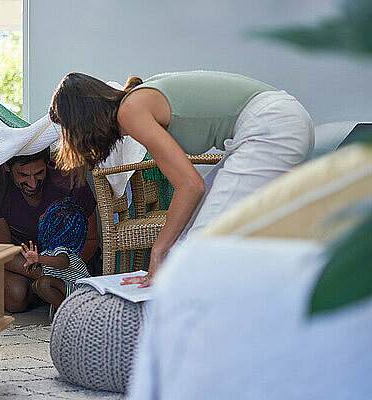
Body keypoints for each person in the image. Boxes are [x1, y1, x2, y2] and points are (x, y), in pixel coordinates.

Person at [49, 71, 314, 287]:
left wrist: (158, 251)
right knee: (190, 235)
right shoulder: (135, 103)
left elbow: (190, 185)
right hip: (275, 123)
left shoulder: (130, 109)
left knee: (199, 245)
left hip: (271, 126)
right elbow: (191, 186)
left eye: (68, 130)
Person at [0, 148, 100, 312]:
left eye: (39, 173)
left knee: (49, 284)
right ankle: (44, 293)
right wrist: (39, 269)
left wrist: (58, 272)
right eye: (23, 175)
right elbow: (1, 249)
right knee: (13, 297)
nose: (32, 183)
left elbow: (91, 240)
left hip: (72, 266)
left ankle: (64, 307)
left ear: (48, 163)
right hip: (28, 266)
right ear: (7, 167)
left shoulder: (70, 179)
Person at [20, 198, 91, 313]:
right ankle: (68, 311)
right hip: (73, 291)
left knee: (44, 283)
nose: (41, 216)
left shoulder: (62, 250)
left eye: (47, 214)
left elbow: (63, 263)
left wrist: (39, 258)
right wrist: (37, 263)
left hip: (83, 292)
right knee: (36, 285)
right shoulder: (51, 251)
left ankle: (68, 314)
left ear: (54, 226)